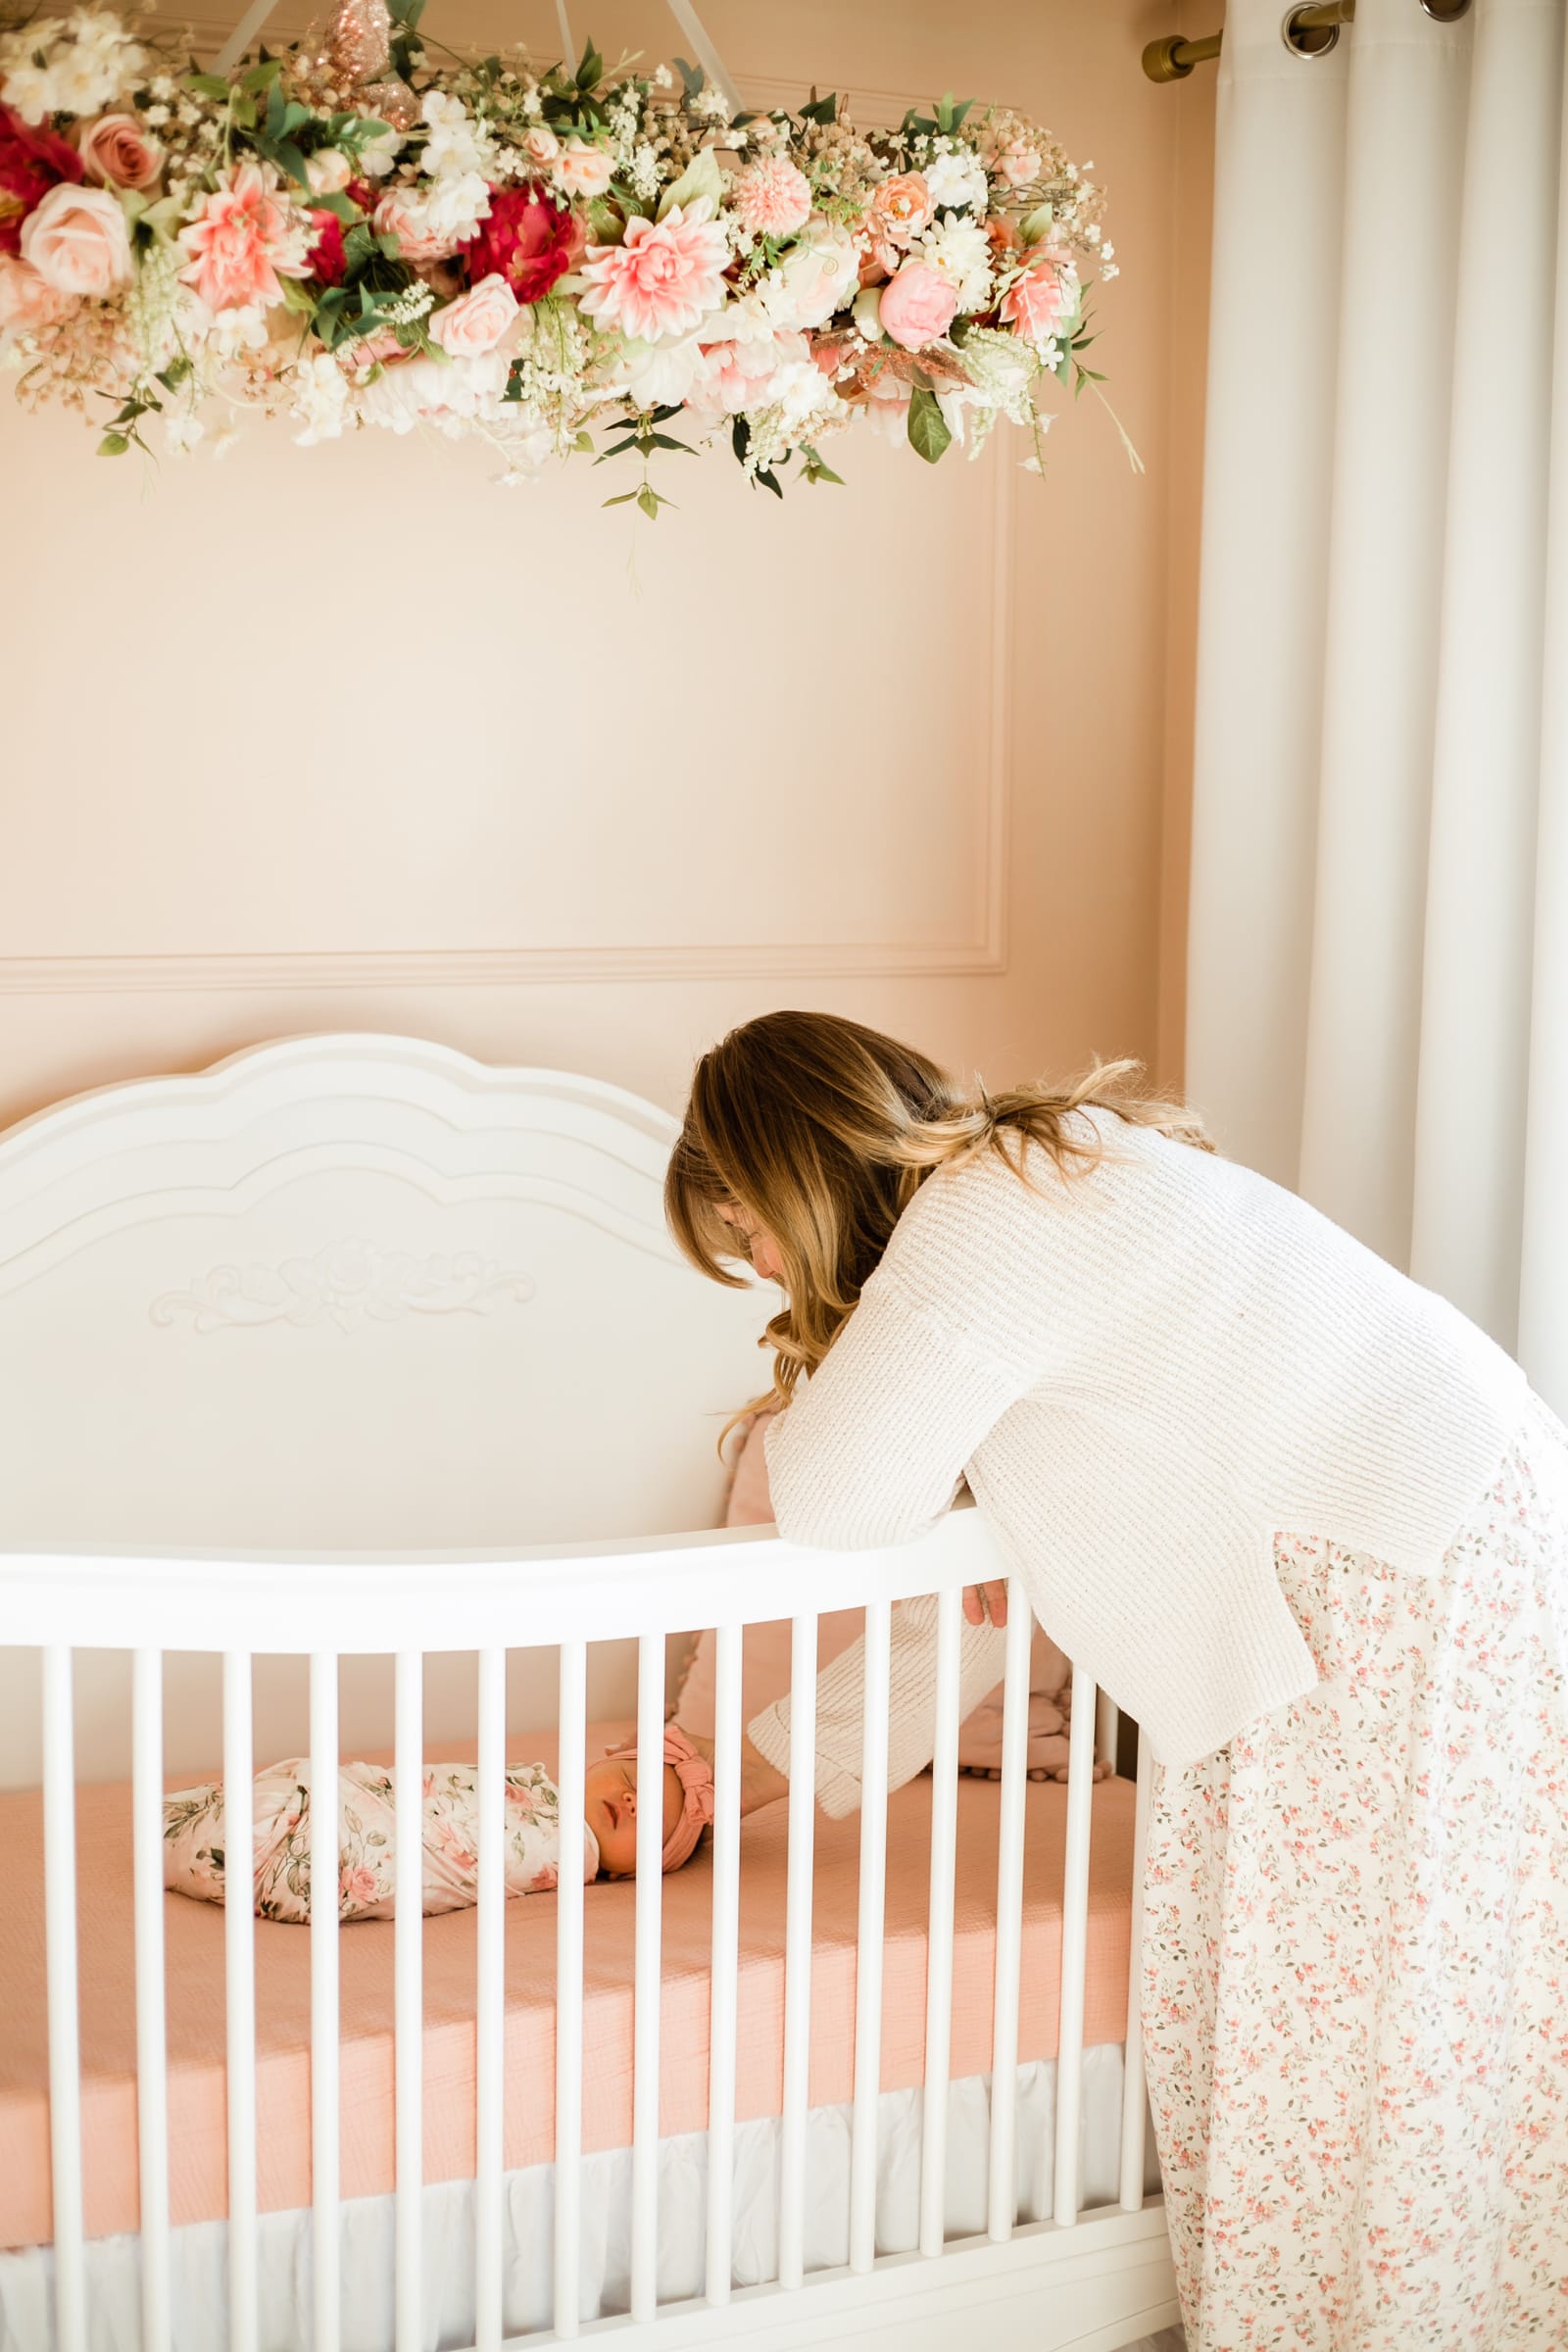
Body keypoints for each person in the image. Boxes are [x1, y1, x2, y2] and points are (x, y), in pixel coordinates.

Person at [664, 1007, 1568, 2351]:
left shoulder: (973, 1225)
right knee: (1403, 2017)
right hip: (1447, 1544)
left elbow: (833, 1502)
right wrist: (745, 1775)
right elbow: (967, 1615)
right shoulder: (1053, 1176)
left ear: (787, 1172)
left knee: (1331, 2038)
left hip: (1394, 1576)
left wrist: (918, 1468)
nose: (767, 1272)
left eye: (746, 1235)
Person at [162, 1728, 714, 1917]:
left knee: (309, 1844)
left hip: (371, 1851)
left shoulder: (569, 1855)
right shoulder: (536, 1785)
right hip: (372, 1802)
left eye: (652, 1820)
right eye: (631, 1779)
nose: (631, 1801)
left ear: (631, 1873)